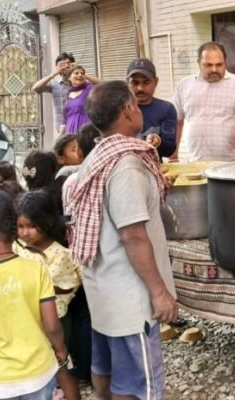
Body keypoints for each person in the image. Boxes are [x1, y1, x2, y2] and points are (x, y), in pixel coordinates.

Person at [67, 81, 177, 399]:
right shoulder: (125, 164)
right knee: (140, 386)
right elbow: (133, 235)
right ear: (128, 110)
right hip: (131, 299)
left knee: (108, 373)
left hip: (104, 292)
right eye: (135, 104)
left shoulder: (96, 156)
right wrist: (159, 293)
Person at [0, 190, 75, 400]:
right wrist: (60, 349)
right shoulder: (36, 270)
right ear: (14, 227)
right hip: (39, 373)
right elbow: (52, 325)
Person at [15, 191, 83, 398]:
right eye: (20, 226)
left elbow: (74, 284)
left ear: (46, 222)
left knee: (61, 365)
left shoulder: (63, 254)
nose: (25, 232)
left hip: (56, 319)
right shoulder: (17, 248)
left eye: (30, 226)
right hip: (27, 319)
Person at [174, 42, 235, 162]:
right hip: (196, 162)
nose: (214, 69)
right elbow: (177, 122)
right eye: (208, 65)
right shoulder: (184, 85)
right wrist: (173, 156)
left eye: (219, 64)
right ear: (198, 63)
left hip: (233, 163)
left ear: (225, 61)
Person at [33, 52, 99, 137]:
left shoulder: (83, 84)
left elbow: (101, 85)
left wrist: (79, 72)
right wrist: (54, 73)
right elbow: (36, 88)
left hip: (83, 126)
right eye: (62, 65)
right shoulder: (55, 84)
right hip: (63, 128)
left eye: (68, 63)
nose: (66, 66)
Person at [127, 58, 178, 159]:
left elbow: (170, 149)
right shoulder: (119, 109)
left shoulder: (166, 109)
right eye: (135, 83)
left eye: (146, 82)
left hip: (153, 166)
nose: (140, 88)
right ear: (127, 83)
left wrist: (158, 141)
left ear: (156, 82)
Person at [63, 65, 94, 134]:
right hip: (70, 131)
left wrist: (86, 76)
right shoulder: (67, 94)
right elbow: (64, 120)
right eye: (76, 73)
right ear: (69, 78)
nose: (80, 75)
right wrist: (59, 138)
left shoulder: (90, 89)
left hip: (86, 131)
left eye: (82, 73)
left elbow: (102, 84)